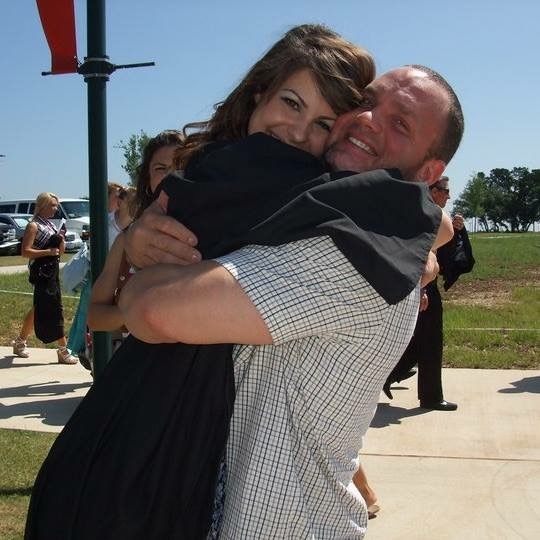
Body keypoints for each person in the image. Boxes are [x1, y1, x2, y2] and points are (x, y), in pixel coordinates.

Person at [25, 24, 381, 540]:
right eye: (291, 102)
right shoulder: (228, 173)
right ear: (259, 92)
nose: (300, 132)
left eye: (325, 122)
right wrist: (144, 257)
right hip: (160, 413)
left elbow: (426, 220)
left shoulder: (288, 184)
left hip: (188, 415)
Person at [119, 64, 463, 538]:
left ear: (428, 172)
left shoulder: (355, 253)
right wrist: (143, 239)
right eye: (365, 101)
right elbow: (438, 225)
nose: (367, 120)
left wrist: (141, 273)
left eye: (399, 123)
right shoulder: (319, 210)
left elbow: (152, 312)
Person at [384, 176, 474, 411]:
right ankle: (429, 395)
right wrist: (422, 289)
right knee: (429, 339)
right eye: (445, 190)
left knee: (423, 339)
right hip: (419, 286)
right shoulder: (422, 216)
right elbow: (418, 256)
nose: (448, 195)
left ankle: (393, 377)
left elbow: (444, 258)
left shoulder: (431, 215)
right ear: (432, 191)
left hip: (422, 285)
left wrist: (458, 233)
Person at [87, 130, 183, 336]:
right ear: (147, 180)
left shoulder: (218, 234)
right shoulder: (127, 239)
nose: (172, 176)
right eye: (161, 168)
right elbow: (94, 316)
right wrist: (136, 313)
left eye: (181, 166)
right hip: (141, 361)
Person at [12, 192, 78, 364]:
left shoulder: (50, 224)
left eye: (56, 205)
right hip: (41, 272)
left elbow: (60, 252)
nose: (55, 209)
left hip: (52, 270)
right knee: (54, 307)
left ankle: (20, 342)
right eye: (52, 205)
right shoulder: (33, 226)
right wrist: (47, 252)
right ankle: (63, 350)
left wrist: (60, 240)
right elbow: (25, 252)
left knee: (39, 307)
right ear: (42, 206)